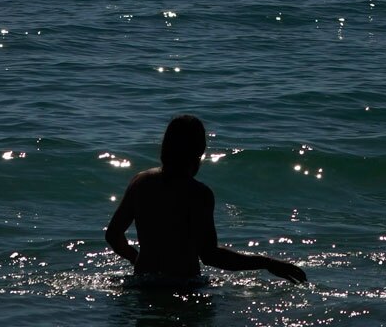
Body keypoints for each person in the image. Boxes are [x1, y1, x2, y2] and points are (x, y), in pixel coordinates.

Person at [105, 114, 307, 285]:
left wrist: (137, 259)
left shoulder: (140, 182)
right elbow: (210, 256)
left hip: (143, 283)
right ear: (199, 152)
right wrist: (267, 263)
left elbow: (113, 235)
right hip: (184, 285)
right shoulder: (198, 193)